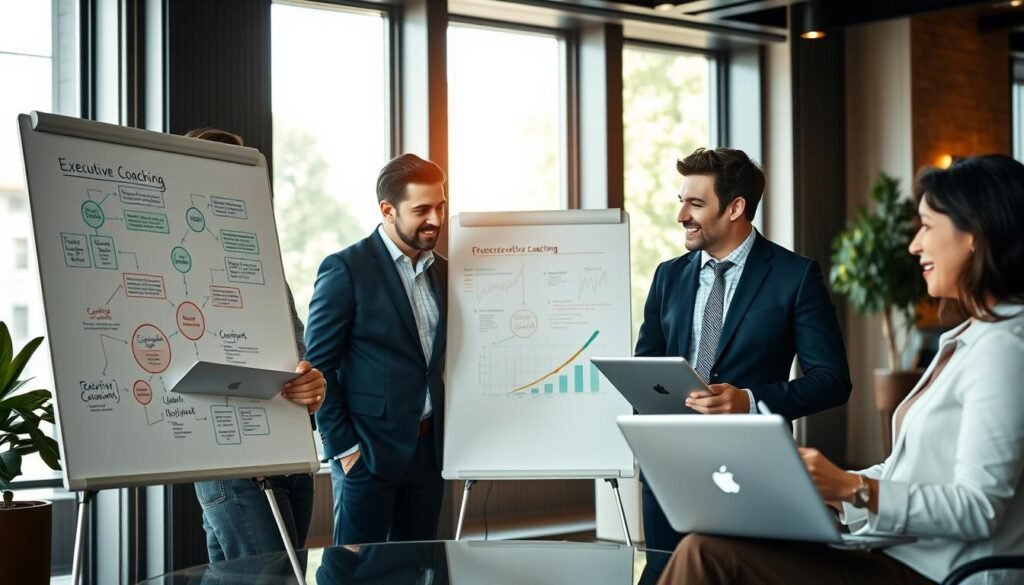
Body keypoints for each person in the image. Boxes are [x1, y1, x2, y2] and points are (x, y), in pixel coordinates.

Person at [655, 154, 1024, 584]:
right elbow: (908, 471)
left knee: (706, 557)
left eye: (927, 225)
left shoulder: (1003, 349)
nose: (914, 244)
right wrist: (826, 485)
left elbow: (978, 509)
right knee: (704, 549)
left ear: (974, 235)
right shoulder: (971, 339)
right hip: (897, 552)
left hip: (936, 571)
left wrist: (853, 489)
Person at [635, 147, 852, 552]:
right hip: (671, 466)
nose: (682, 215)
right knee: (667, 573)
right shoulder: (668, 277)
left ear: (736, 208)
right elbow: (646, 368)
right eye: (681, 201)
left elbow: (833, 381)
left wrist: (749, 400)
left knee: (744, 571)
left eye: (695, 203)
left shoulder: (795, 276)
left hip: (751, 471)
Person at [186, 127, 327, 562]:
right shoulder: (181, 265)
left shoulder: (260, 260)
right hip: (235, 464)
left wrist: (311, 381)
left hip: (291, 450)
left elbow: (297, 346)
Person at [305, 153, 448, 545]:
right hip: (366, 455)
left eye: (440, 206)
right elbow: (318, 368)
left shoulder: (445, 273)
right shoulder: (345, 269)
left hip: (428, 455)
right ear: (388, 210)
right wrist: (346, 452)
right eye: (422, 210)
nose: (435, 219)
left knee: (418, 569)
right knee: (354, 573)